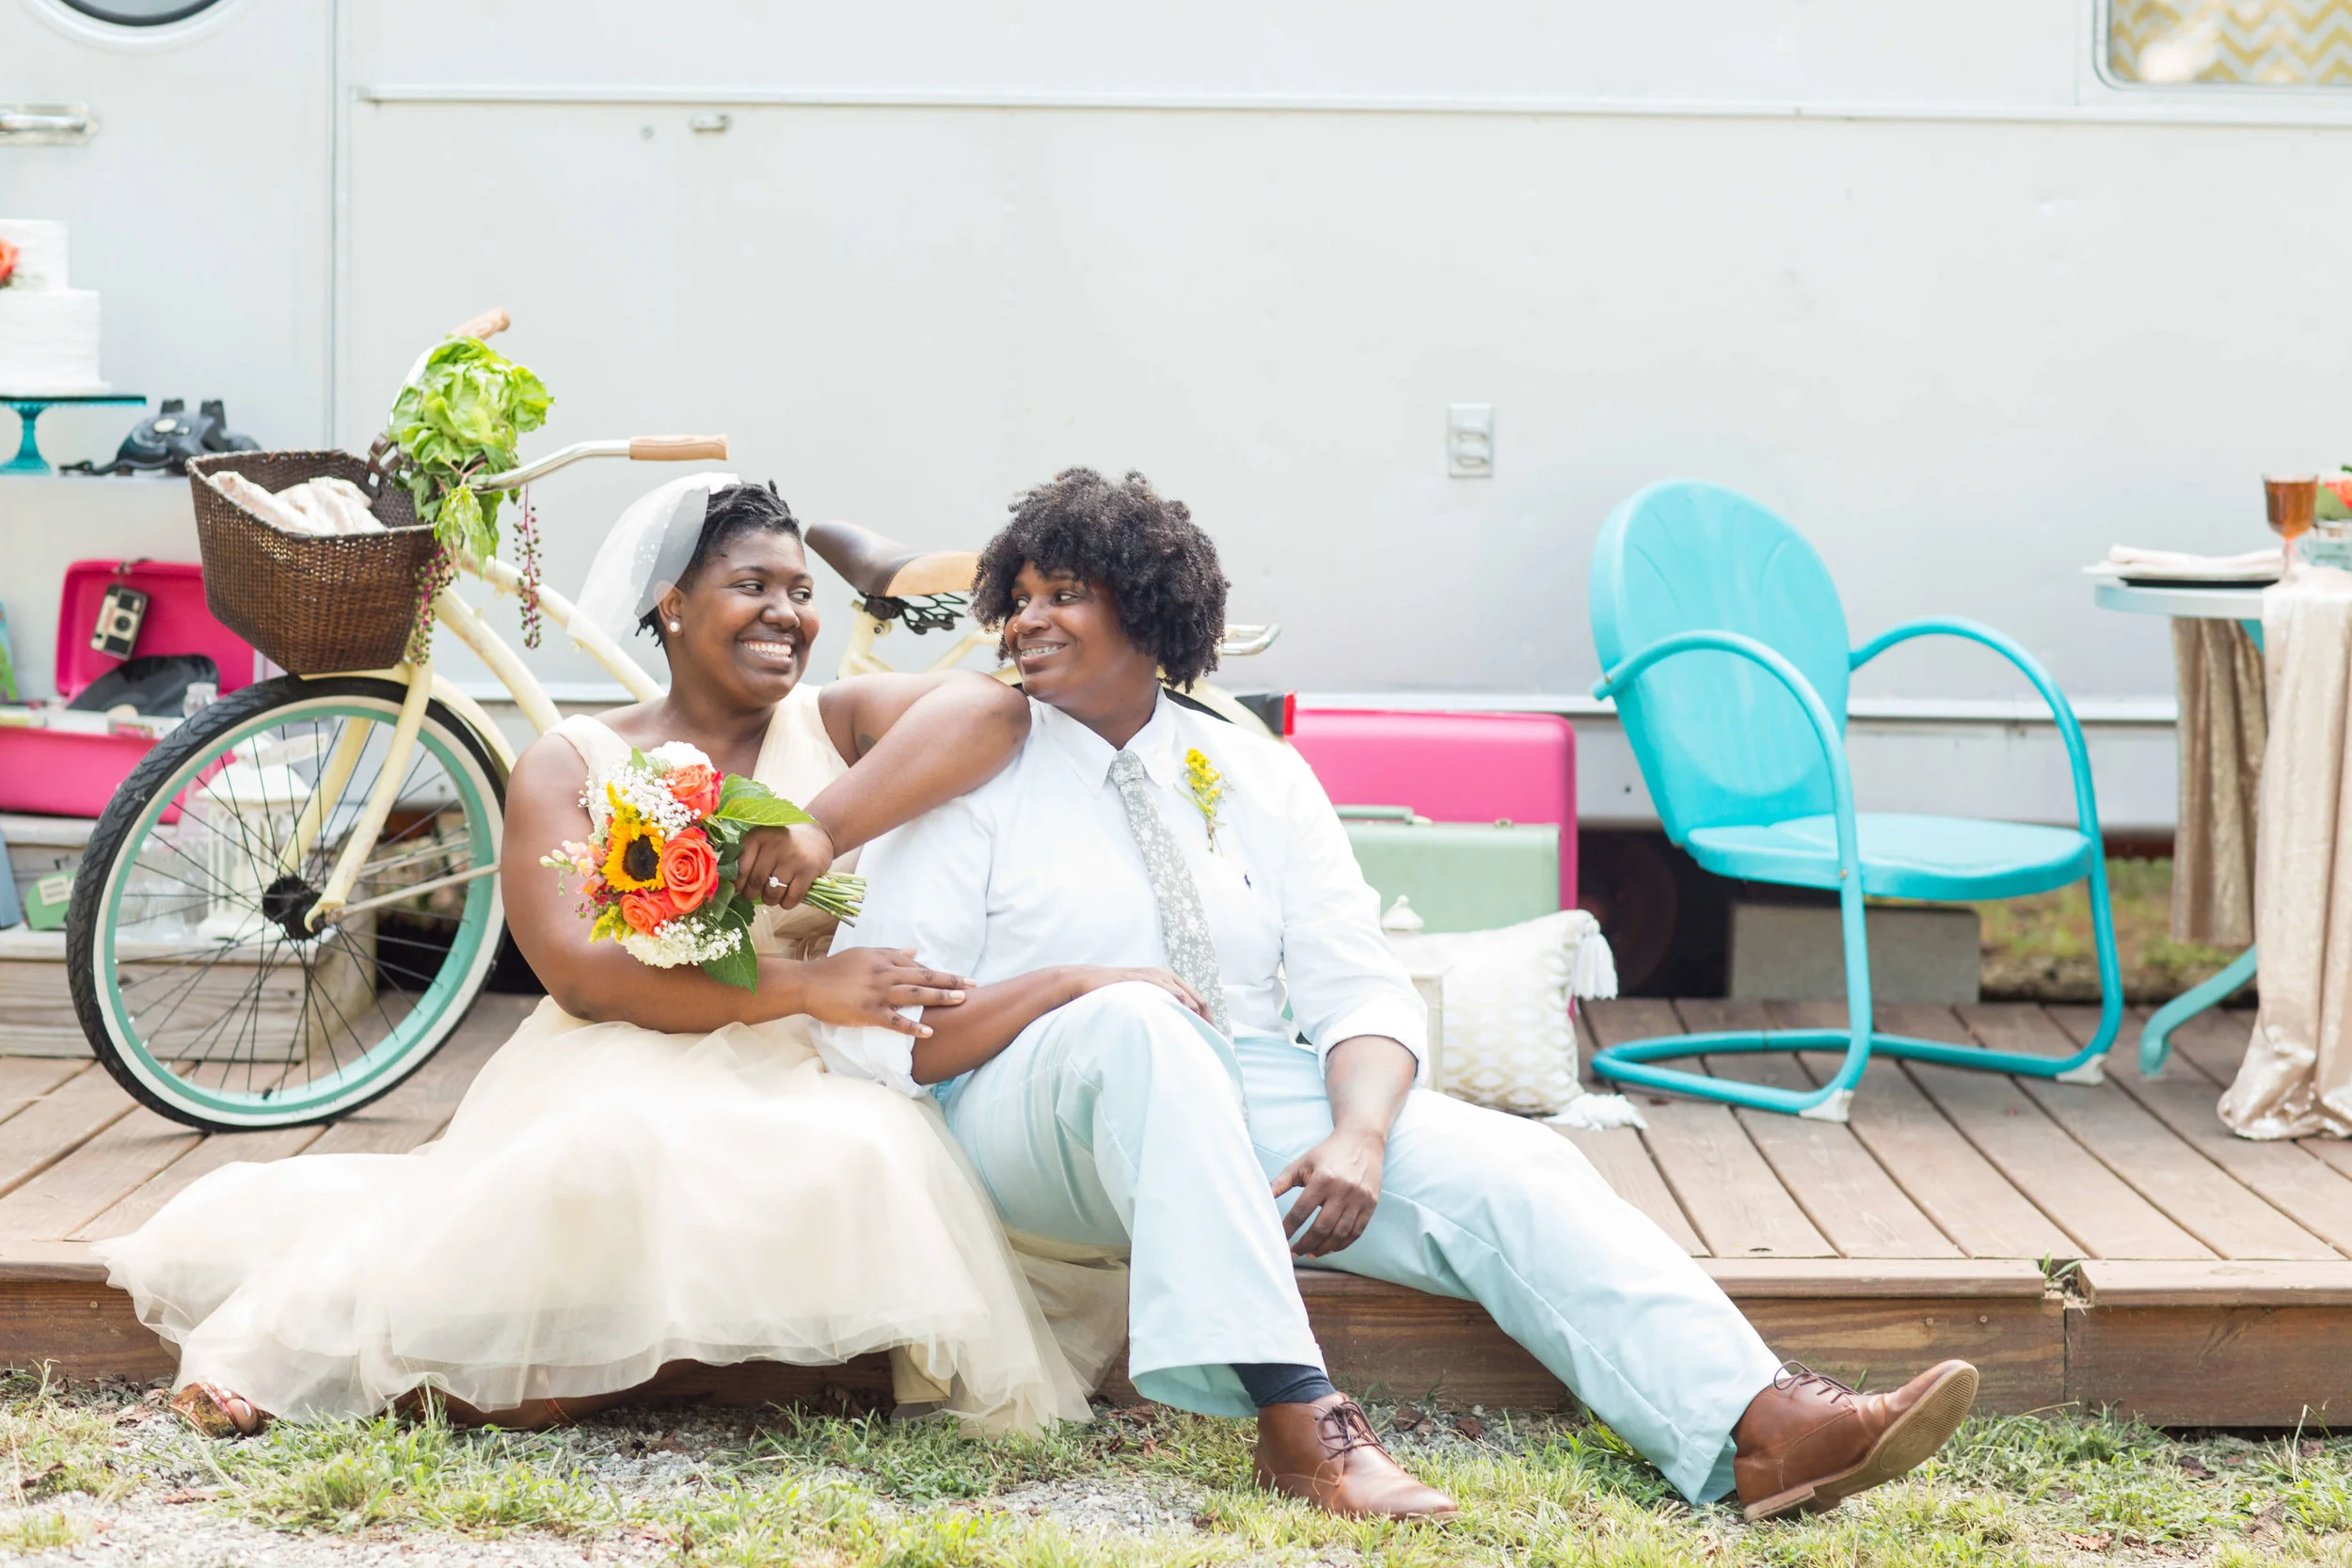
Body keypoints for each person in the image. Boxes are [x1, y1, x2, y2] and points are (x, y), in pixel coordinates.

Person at [819, 467, 1981, 1523]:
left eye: (1061, 591)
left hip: (1238, 1090)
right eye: (1014, 597)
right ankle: (1304, 1424)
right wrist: (1080, 982)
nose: (1025, 621)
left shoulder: (1256, 772)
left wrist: (1362, 1134)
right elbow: (904, 1039)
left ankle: (1764, 1424)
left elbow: (1352, 980)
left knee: (1516, 1163)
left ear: (1148, 608)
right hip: (1023, 1119)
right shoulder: (975, 768)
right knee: (1138, 1023)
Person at [100, 477, 1092, 1440]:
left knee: (866, 1151)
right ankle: (297, 1354)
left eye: (800, 592)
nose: (785, 612)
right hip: (625, 1038)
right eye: (752, 585)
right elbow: (579, 970)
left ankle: (647, 1366)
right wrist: (805, 982)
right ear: (672, 602)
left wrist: (820, 830)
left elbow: (993, 711)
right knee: (612, 1146)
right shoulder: (573, 761)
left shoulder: (829, 723)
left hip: (798, 1054)